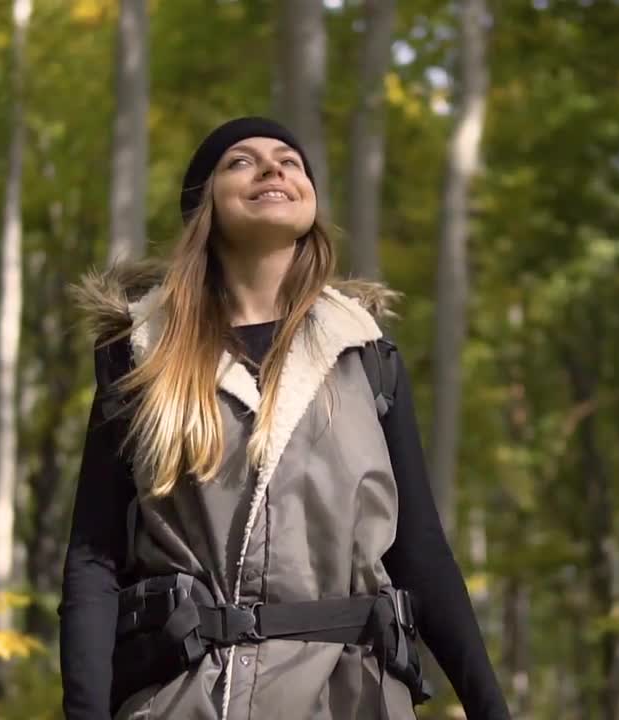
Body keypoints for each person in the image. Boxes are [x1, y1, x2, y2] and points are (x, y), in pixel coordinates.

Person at [59, 116, 509, 720]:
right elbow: (95, 559)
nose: (274, 168)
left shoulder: (366, 355)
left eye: (290, 161)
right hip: (188, 700)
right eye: (241, 161)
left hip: (352, 697)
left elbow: (420, 550)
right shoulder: (139, 355)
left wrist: (492, 708)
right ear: (204, 209)